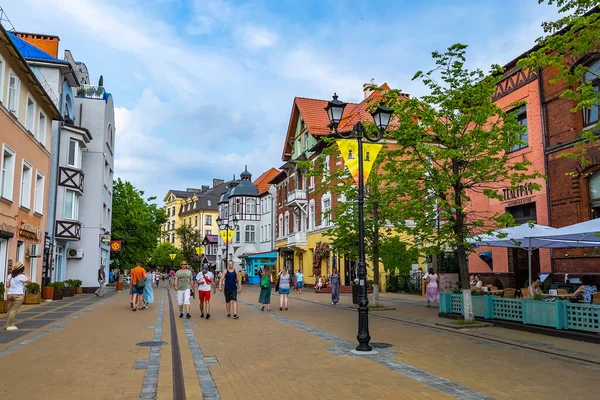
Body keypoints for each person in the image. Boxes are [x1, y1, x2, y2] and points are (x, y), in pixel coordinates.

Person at [4, 262, 30, 331]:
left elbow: (7, 285)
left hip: (10, 294)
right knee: (13, 310)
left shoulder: (10, 276)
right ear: (22, 269)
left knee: (9, 310)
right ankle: (9, 325)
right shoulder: (21, 276)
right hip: (18, 295)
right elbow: (29, 281)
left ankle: (9, 323)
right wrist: (26, 274)